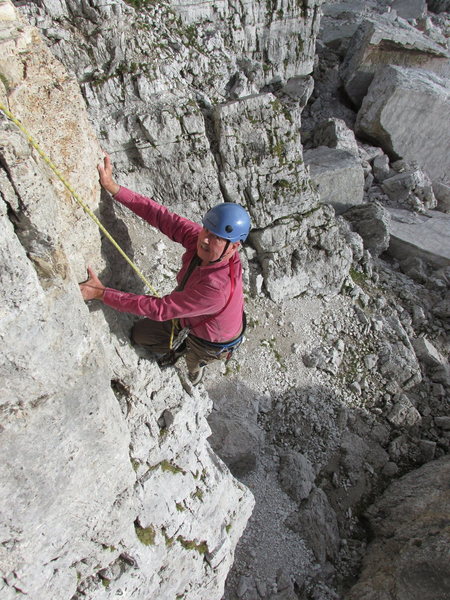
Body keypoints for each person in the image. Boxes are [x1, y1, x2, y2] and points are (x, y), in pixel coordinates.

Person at [79, 156, 251, 385]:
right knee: (141, 333)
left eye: (217, 238)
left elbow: (160, 309)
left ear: (234, 247)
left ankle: (194, 366)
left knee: (189, 357)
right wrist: (114, 188)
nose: (206, 240)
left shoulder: (216, 288)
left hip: (211, 341)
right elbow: (162, 217)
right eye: (207, 231)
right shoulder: (201, 241)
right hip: (204, 316)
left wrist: (102, 293)